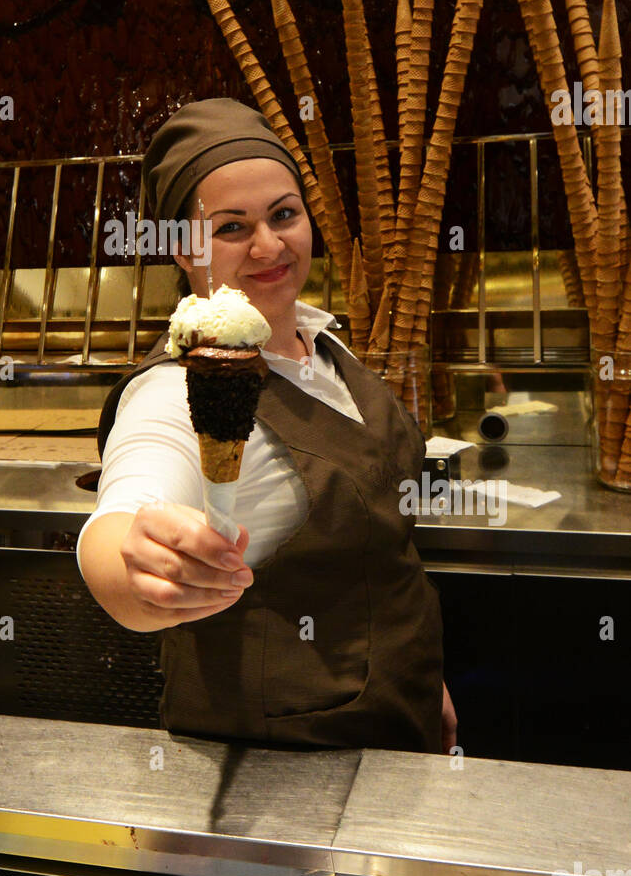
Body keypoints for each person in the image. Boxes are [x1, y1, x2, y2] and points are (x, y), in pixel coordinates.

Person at [78, 97, 457, 754]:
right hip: (282, 766)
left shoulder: (325, 346)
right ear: (180, 248)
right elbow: (123, 519)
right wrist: (139, 571)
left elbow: (381, 558)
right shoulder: (180, 387)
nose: (269, 244)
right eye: (231, 227)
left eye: (284, 214)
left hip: (397, 726)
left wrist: (424, 682)